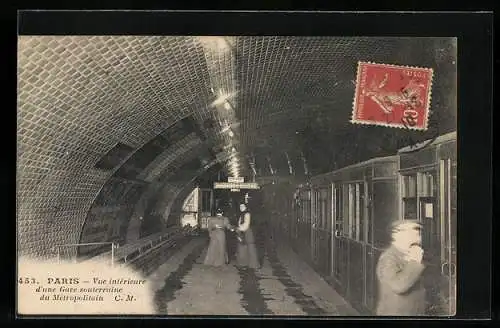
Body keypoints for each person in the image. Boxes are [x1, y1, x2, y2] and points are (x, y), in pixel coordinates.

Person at [375, 219, 427, 316]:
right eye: (410, 233)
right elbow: (398, 286)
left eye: (418, 233)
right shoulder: (388, 257)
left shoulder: (410, 254)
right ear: (396, 235)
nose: (416, 237)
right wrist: (415, 261)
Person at [235, 203, 260, 269]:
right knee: (242, 248)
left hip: (248, 232)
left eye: (242, 206)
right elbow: (240, 224)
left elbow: (246, 225)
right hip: (243, 232)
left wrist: (238, 229)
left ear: (246, 207)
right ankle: (243, 263)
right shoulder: (242, 214)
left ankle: (253, 265)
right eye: (240, 206)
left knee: (250, 248)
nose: (241, 207)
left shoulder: (247, 214)